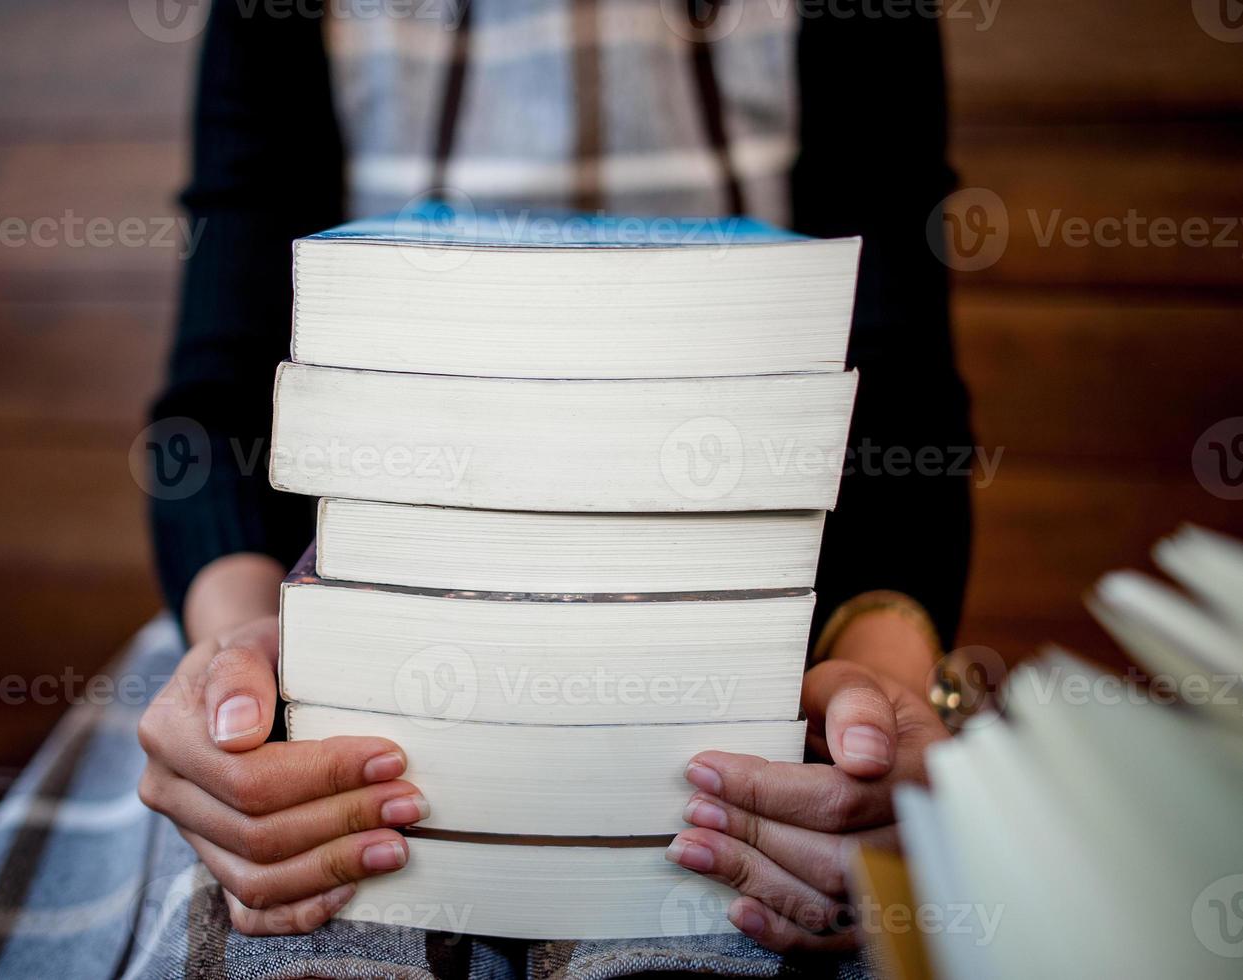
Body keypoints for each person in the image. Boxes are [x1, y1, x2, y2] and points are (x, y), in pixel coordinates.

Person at [138, 0, 973, 974]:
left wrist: (883, 689)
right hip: (342, 646)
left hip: (761, 676)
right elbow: (216, 402)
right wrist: (241, 649)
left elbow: (900, 406)